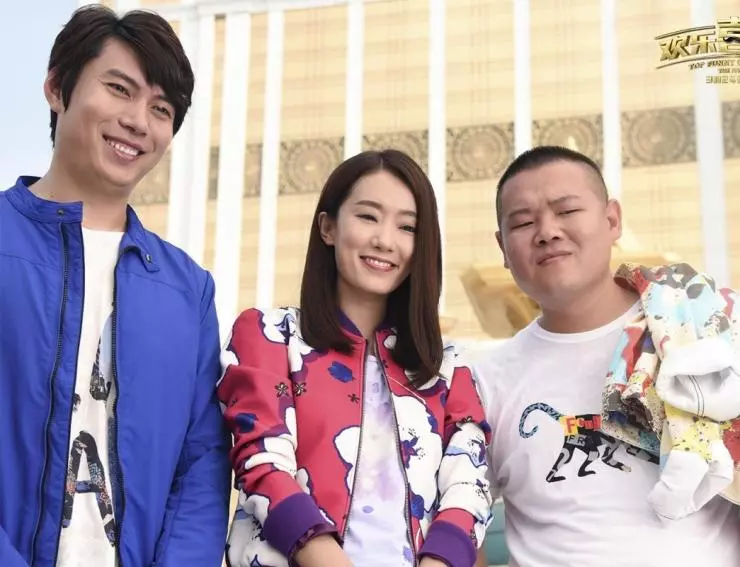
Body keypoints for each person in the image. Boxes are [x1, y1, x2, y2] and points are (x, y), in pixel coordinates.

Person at [0, 6, 231, 566]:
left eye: (161, 109)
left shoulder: (188, 290)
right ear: (57, 87)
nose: (138, 121)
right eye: (119, 89)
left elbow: (201, 467)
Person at [217, 149, 492, 567]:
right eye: (368, 217)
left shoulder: (449, 368)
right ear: (328, 227)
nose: (385, 240)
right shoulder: (269, 335)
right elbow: (261, 461)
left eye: (407, 226)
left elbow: (469, 485)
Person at [474, 145, 740, 567]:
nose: (547, 231)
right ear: (502, 248)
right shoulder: (482, 382)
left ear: (612, 219)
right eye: (523, 222)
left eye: (566, 211)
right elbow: (458, 518)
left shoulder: (704, 325)